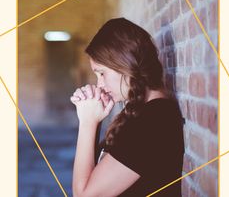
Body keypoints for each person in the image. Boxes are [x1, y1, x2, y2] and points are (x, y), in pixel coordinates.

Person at [70, 18, 184, 197]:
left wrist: (87, 123)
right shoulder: (141, 113)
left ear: (125, 64)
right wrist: (96, 119)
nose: (99, 84)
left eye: (102, 73)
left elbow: (85, 195)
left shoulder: (154, 122)